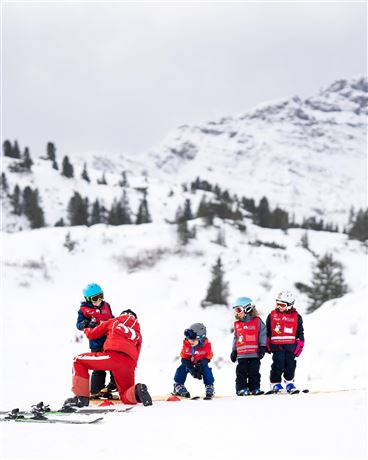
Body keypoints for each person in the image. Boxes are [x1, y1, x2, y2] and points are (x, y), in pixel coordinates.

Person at [64, 309, 152, 408]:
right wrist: (131, 369)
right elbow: (137, 353)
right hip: (129, 364)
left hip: (112, 357)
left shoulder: (114, 321)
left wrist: (86, 328)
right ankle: (137, 390)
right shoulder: (138, 335)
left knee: (78, 360)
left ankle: (81, 398)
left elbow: (92, 334)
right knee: (125, 394)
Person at [76, 283, 116, 397]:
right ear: (88, 299)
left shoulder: (106, 305)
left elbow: (112, 317)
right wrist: (86, 323)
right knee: (99, 367)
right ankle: (96, 390)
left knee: (114, 362)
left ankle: (114, 384)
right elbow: (78, 325)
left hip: (110, 340)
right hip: (96, 342)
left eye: (101, 296)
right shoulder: (84, 310)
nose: (99, 300)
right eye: (95, 298)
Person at [266, 290, 305, 393]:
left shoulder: (297, 317)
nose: (279, 306)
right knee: (277, 364)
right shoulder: (272, 315)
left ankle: (289, 382)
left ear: (289, 305)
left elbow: (300, 331)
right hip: (277, 346)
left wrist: (300, 344)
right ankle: (275, 383)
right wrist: (266, 342)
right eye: (277, 304)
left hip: (290, 346)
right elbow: (268, 331)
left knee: (290, 365)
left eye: (282, 304)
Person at [230, 297, 267, 395]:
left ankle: (254, 388)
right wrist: (234, 351)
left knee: (254, 373)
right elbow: (235, 338)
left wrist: (262, 347)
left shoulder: (257, 321)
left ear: (247, 308)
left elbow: (263, 334)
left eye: (238, 310)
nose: (237, 313)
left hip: (254, 354)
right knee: (241, 373)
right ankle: (241, 389)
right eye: (235, 311)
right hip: (242, 355)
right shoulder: (237, 324)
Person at [172, 323, 215, 399]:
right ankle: (178, 385)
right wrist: (191, 368)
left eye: (193, 339)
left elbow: (209, 355)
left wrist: (203, 362)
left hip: (200, 364)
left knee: (206, 369)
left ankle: (209, 386)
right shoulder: (187, 344)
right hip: (190, 364)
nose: (190, 341)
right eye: (188, 338)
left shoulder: (206, 346)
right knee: (181, 368)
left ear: (201, 338)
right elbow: (184, 357)